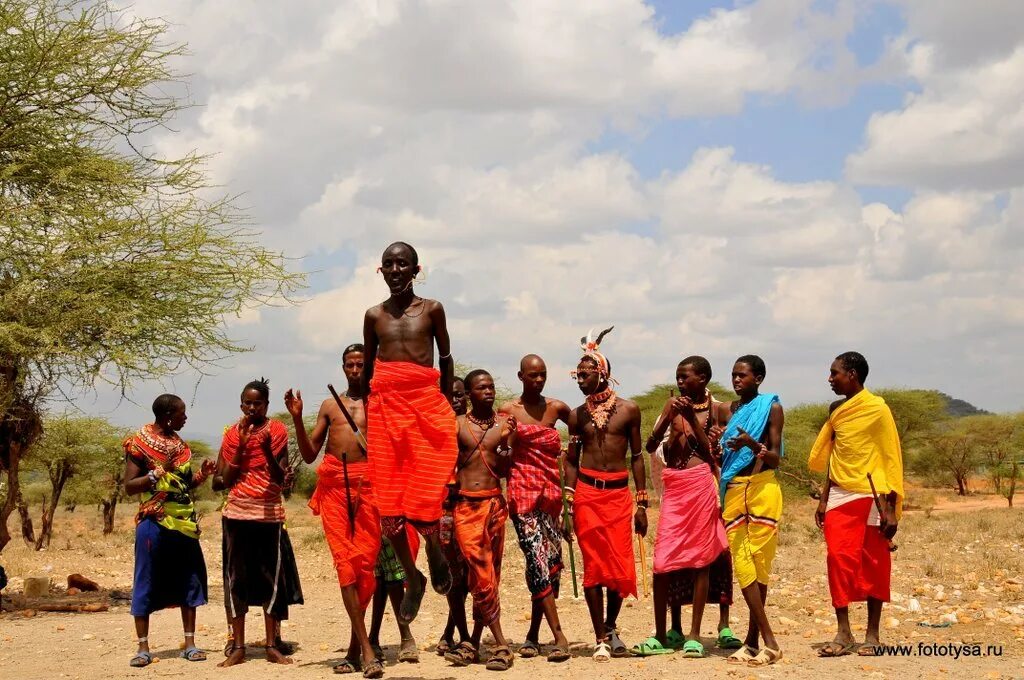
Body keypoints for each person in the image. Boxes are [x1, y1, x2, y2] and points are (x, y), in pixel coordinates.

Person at [286, 344, 403, 677]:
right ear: (343, 368)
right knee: (345, 566)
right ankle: (367, 650)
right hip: (335, 487)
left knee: (365, 568)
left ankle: (354, 648)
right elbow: (309, 455)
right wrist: (296, 418)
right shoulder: (329, 406)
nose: (355, 371)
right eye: (350, 365)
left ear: (369, 367)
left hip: (371, 489)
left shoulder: (380, 404)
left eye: (360, 365)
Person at [362, 241, 457, 625]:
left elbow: (446, 359)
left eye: (403, 263)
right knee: (389, 505)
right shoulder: (373, 316)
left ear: (417, 269)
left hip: (427, 408)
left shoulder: (432, 309)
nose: (396, 269)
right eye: (389, 264)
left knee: (429, 491)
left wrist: (447, 406)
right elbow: (369, 368)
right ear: (381, 271)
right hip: (386, 412)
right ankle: (412, 577)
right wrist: (368, 415)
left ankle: (434, 548)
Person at [809, 351, 903, 658]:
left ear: (852, 375)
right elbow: (833, 457)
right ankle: (843, 632)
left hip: (873, 494)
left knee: (874, 560)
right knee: (837, 558)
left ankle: (872, 635)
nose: (830, 378)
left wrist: (890, 506)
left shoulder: (877, 409)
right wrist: (824, 499)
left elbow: (890, 456)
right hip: (839, 493)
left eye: (835, 373)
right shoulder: (837, 410)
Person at [563, 328, 648, 662]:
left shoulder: (629, 410)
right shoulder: (576, 416)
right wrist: (568, 505)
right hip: (586, 495)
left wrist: (641, 504)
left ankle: (610, 626)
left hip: (618, 496)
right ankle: (599, 636)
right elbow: (571, 460)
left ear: (603, 374)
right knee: (594, 566)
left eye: (585, 374)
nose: (580, 379)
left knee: (618, 565)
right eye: (577, 374)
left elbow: (638, 457)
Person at [635, 357, 728, 659]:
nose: (679, 382)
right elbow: (651, 446)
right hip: (674, 487)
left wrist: (690, 416)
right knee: (663, 561)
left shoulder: (716, 410)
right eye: (677, 376)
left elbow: (711, 454)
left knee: (700, 560)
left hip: (700, 483)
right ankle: (660, 635)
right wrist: (667, 418)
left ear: (702, 378)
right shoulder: (670, 404)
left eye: (684, 377)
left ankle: (695, 635)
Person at [124, 394, 214, 668]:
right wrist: (155, 475)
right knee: (146, 579)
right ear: (167, 415)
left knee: (190, 578)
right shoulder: (140, 443)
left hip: (183, 522)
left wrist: (201, 475)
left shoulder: (179, 445)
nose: (185, 418)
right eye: (181, 413)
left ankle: (189, 643)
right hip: (154, 521)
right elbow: (129, 486)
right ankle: (142, 648)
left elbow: (184, 484)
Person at [218, 378, 303, 667]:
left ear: (267, 405)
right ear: (241, 403)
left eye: (258, 403)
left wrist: (265, 449)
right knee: (237, 579)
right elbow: (223, 480)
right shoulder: (231, 436)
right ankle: (239, 645)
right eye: (247, 402)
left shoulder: (277, 432)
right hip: (237, 515)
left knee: (271, 579)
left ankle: (270, 645)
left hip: (268, 514)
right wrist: (242, 447)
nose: (252, 407)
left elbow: (280, 479)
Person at [498, 354, 571, 662]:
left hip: (552, 496)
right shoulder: (509, 411)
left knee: (549, 566)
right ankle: (559, 636)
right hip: (522, 494)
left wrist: (573, 458)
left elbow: (583, 431)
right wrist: (506, 438)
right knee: (537, 559)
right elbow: (502, 457)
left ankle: (532, 636)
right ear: (520, 376)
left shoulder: (556, 407)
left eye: (542, 375)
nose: (538, 380)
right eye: (532, 375)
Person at [443, 370, 516, 671]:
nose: (489, 391)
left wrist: (507, 442)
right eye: (481, 388)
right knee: (480, 573)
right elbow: (446, 466)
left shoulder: (504, 425)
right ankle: (501, 644)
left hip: (494, 504)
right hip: (465, 507)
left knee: (487, 577)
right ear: (470, 394)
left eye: (491, 386)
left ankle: (472, 642)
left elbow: (505, 469)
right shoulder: (456, 425)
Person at [718, 355, 785, 666]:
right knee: (743, 565)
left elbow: (775, 458)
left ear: (758, 378)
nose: (736, 380)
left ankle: (757, 640)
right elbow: (724, 457)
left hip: (762, 488)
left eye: (742, 375)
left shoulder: (771, 407)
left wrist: (750, 444)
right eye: (733, 375)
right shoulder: (733, 410)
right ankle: (764, 641)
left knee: (759, 566)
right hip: (734, 490)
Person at [436, 377, 471, 657]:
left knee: (471, 575)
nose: (455, 400)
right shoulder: (436, 426)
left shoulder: (473, 426)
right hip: (444, 508)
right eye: (450, 396)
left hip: (471, 504)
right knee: (452, 575)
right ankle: (462, 634)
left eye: (459, 395)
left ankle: (451, 631)